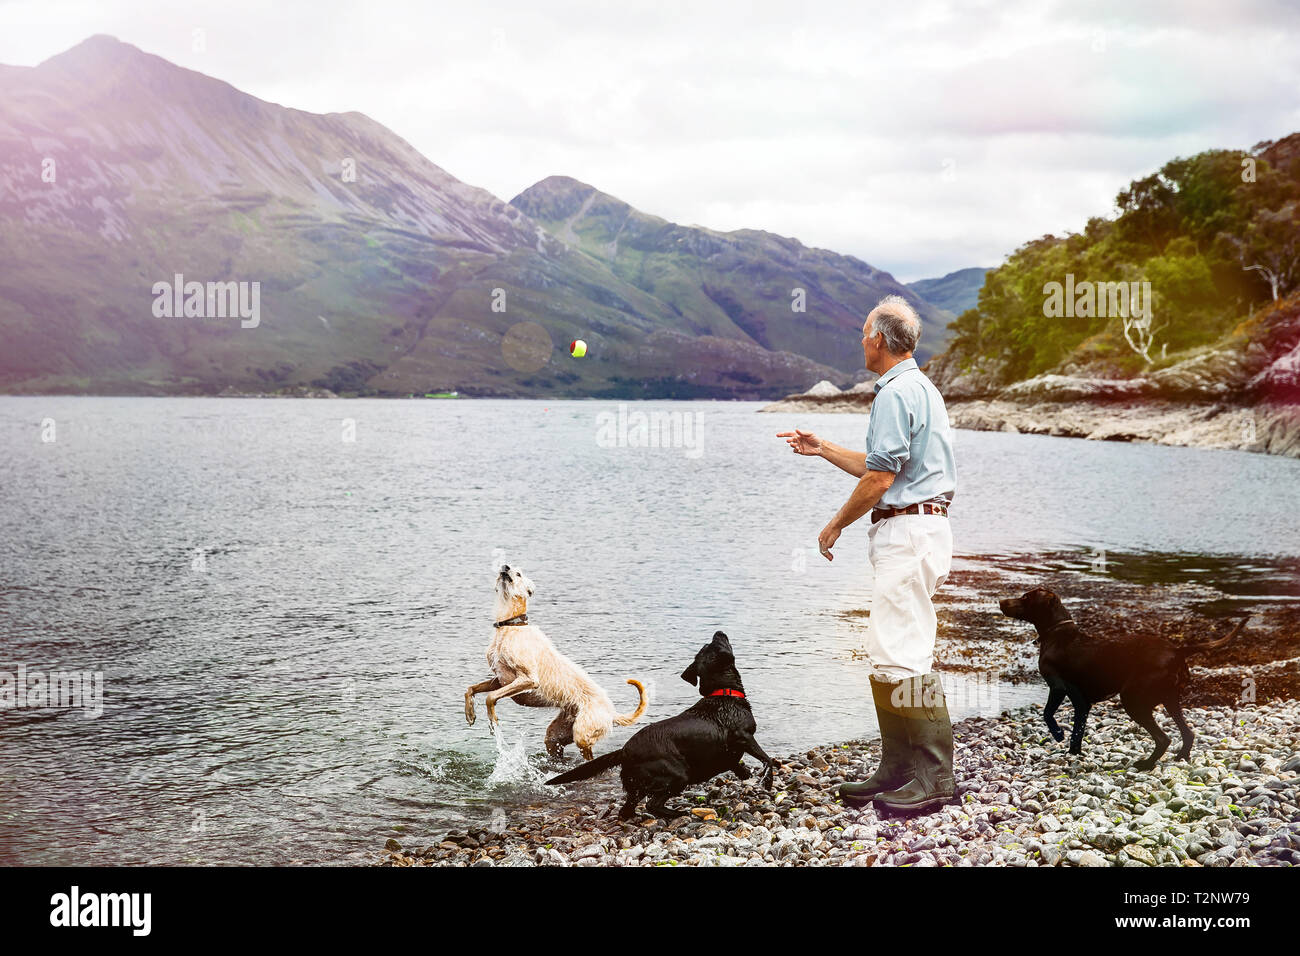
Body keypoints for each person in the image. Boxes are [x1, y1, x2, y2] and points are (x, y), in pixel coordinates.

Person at [777, 294, 957, 814]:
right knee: (887, 654)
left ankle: (934, 779)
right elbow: (881, 464)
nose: (861, 340)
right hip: (917, 529)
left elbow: (881, 478)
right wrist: (824, 448)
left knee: (903, 655)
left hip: (909, 531)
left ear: (878, 339)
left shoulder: (897, 393)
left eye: (863, 333)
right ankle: (898, 770)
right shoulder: (916, 388)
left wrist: (835, 524)